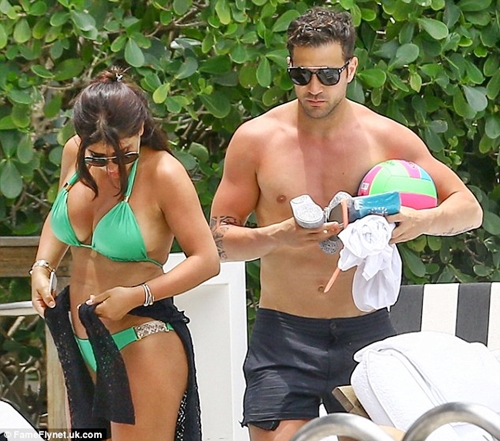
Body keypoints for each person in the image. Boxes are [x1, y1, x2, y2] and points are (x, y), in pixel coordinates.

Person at [210, 6, 482, 441]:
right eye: (301, 75)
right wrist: (281, 234)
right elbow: (219, 241)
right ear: (290, 68)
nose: (314, 88)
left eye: (328, 75)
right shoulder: (257, 139)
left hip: (364, 328)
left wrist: (419, 220)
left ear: (351, 69)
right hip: (285, 331)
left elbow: (469, 209)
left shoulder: (384, 137)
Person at [30, 67, 220, 441]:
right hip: (80, 337)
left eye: (124, 155)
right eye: (99, 159)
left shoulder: (164, 173)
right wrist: (42, 265)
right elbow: (59, 215)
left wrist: (137, 295)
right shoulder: (73, 153)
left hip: (141, 336)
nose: (113, 170)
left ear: (141, 129)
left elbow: (206, 259)